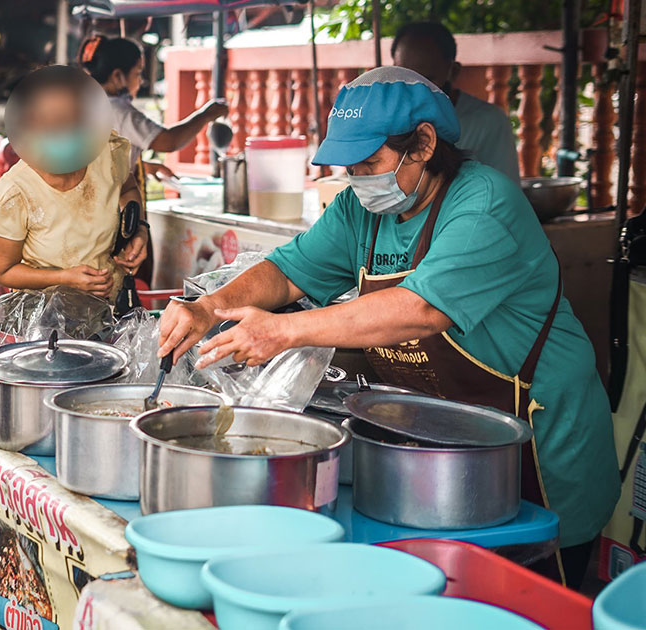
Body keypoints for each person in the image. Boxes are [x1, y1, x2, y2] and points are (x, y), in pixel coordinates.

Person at [157, 67, 618, 587]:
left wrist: (285, 332)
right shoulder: (359, 210)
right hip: (445, 452)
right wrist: (208, 307)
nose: (358, 179)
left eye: (371, 163)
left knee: (528, 602)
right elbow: (288, 271)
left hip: (541, 449)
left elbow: (420, 310)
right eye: (350, 166)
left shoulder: (485, 203)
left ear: (423, 143)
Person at [0, 65, 146, 299]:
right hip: (44, 319)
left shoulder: (106, 154)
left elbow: (128, 188)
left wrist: (139, 230)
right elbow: (2, 270)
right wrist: (65, 278)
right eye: (52, 121)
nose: (64, 128)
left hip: (109, 311)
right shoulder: (14, 193)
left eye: (74, 119)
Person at [79, 35, 228, 179]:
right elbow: (168, 141)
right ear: (117, 76)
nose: (141, 81)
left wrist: (144, 167)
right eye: (137, 73)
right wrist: (205, 115)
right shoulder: (118, 111)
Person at [391, 21, 521, 182]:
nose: (415, 90)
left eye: (427, 80)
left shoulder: (489, 122)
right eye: (404, 77)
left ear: (452, 71)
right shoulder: (388, 120)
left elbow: (505, 193)